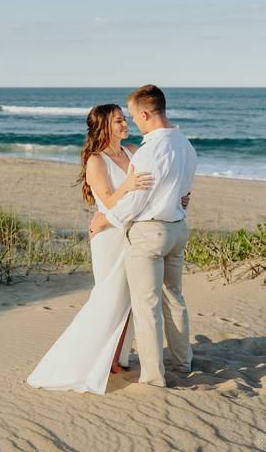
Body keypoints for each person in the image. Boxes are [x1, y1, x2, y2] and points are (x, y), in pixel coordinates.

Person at [26, 104, 153, 394]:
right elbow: (108, 201)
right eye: (118, 121)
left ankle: (114, 359)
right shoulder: (96, 161)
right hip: (109, 237)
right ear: (105, 127)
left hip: (131, 233)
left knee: (129, 300)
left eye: (124, 119)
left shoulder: (133, 150)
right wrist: (130, 184)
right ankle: (79, 361)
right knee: (110, 298)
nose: (124, 124)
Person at [90, 84, 197, 387]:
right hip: (177, 229)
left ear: (146, 113)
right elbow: (185, 190)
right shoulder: (186, 145)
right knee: (174, 299)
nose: (132, 123)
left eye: (134, 117)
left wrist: (106, 221)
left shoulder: (148, 151)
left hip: (151, 234)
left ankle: (152, 377)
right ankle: (182, 361)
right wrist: (179, 202)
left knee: (147, 307)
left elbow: (135, 202)